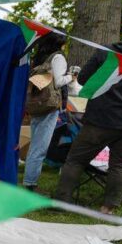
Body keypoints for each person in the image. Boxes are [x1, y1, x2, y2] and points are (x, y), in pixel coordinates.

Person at [55, 11, 122, 214]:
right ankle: (108, 209)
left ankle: (62, 202)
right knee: (121, 164)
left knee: (76, 160)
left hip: (100, 118)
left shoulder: (106, 51)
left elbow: (85, 79)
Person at [23, 33, 74, 191]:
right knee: (40, 147)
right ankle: (31, 183)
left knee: (36, 145)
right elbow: (58, 81)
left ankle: (29, 180)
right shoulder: (58, 57)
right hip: (49, 106)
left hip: (36, 104)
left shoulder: (39, 56)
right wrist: (71, 77)